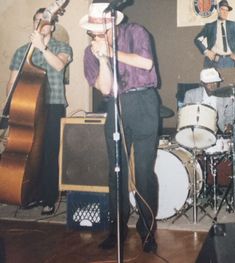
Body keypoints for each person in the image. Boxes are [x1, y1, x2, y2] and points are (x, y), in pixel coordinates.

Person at [80, 2, 159, 253]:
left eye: (100, 28)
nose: (97, 34)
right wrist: (103, 58)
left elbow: (146, 63)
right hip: (115, 105)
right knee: (116, 172)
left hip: (144, 101)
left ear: (111, 23)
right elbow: (105, 89)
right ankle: (117, 231)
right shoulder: (90, 52)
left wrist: (111, 51)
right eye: (93, 30)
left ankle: (148, 232)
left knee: (144, 172)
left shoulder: (136, 32)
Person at [6, 8, 72, 215]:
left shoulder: (62, 46)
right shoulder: (21, 51)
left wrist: (42, 48)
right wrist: (9, 108)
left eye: (44, 20)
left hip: (53, 104)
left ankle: (49, 198)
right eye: (37, 20)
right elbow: (12, 82)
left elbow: (59, 65)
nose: (41, 23)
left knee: (50, 152)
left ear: (51, 26)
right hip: (26, 107)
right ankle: (31, 193)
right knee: (29, 151)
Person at [194, 0, 235, 68]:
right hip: (215, 60)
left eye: (227, 10)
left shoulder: (234, 25)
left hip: (231, 61)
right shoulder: (209, 26)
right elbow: (197, 40)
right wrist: (206, 51)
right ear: (218, 10)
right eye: (222, 9)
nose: (225, 12)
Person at [183, 68, 233, 133]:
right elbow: (186, 117)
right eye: (209, 83)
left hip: (218, 130)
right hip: (197, 130)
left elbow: (230, 117)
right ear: (202, 83)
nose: (213, 86)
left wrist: (228, 128)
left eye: (215, 82)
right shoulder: (190, 95)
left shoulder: (226, 97)